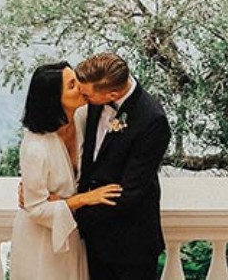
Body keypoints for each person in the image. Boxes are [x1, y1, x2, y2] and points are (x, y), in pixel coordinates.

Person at [9, 61, 123, 280]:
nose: (81, 87)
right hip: (41, 240)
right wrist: (85, 199)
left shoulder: (81, 118)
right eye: (72, 85)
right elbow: (36, 209)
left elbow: (112, 77)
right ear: (54, 99)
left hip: (71, 231)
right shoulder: (35, 147)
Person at [74, 52, 171, 280]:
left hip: (131, 243)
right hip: (95, 241)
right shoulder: (97, 98)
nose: (81, 97)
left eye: (86, 95)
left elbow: (131, 191)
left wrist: (74, 213)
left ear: (113, 94)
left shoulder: (153, 120)